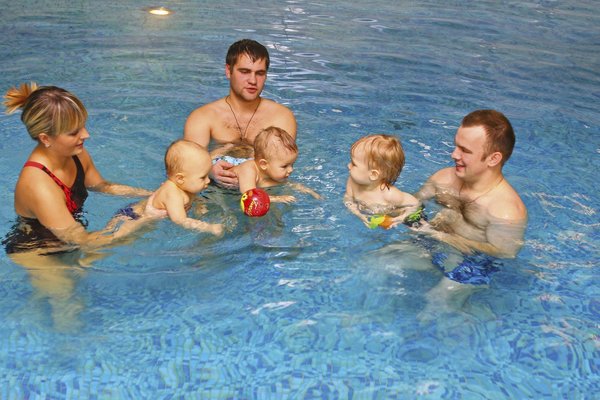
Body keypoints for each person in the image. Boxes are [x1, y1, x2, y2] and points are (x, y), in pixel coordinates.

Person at [2, 83, 151, 255]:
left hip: (70, 243)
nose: (86, 135)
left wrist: (150, 194)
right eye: (73, 132)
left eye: (83, 126)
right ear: (45, 138)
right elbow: (84, 241)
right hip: (37, 252)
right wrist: (144, 217)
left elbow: (103, 186)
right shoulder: (38, 185)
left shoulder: (75, 153)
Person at [413, 110, 528, 316]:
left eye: (465, 150)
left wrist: (444, 237)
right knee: (379, 261)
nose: (454, 154)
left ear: (493, 158)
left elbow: (505, 253)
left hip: (474, 263)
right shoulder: (443, 178)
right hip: (431, 243)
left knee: (436, 302)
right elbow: (413, 204)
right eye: (456, 146)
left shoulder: (505, 210)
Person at [184, 39, 297, 189]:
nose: (253, 80)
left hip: (265, 189)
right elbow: (187, 167)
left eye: (260, 73)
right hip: (211, 189)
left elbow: (281, 168)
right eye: (244, 72)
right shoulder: (203, 117)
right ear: (228, 71)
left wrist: (249, 177)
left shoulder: (281, 117)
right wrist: (209, 171)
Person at [114, 139, 224, 235]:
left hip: (139, 211)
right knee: (116, 239)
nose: (208, 180)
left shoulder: (186, 186)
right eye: (203, 177)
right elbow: (180, 220)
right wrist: (208, 227)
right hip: (132, 216)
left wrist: (200, 207)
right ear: (180, 178)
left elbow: (194, 199)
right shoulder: (173, 195)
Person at [344, 134, 424, 228]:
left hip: (397, 213)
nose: (348, 165)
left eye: (353, 164)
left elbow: (415, 204)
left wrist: (401, 218)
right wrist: (359, 215)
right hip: (377, 214)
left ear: (373, 175)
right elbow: (348, 199)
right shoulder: (352, 181)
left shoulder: (389, 194)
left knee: (419, 228)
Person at [223, 126, 320, 203]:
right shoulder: (248, 170)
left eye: (292, 165)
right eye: (285, 166)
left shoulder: (271, 172)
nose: (291, 170)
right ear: (264, 164)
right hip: (222, 187)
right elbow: (249, 194)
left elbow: (287, 183)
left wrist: (308, 191)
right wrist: (276, 198)